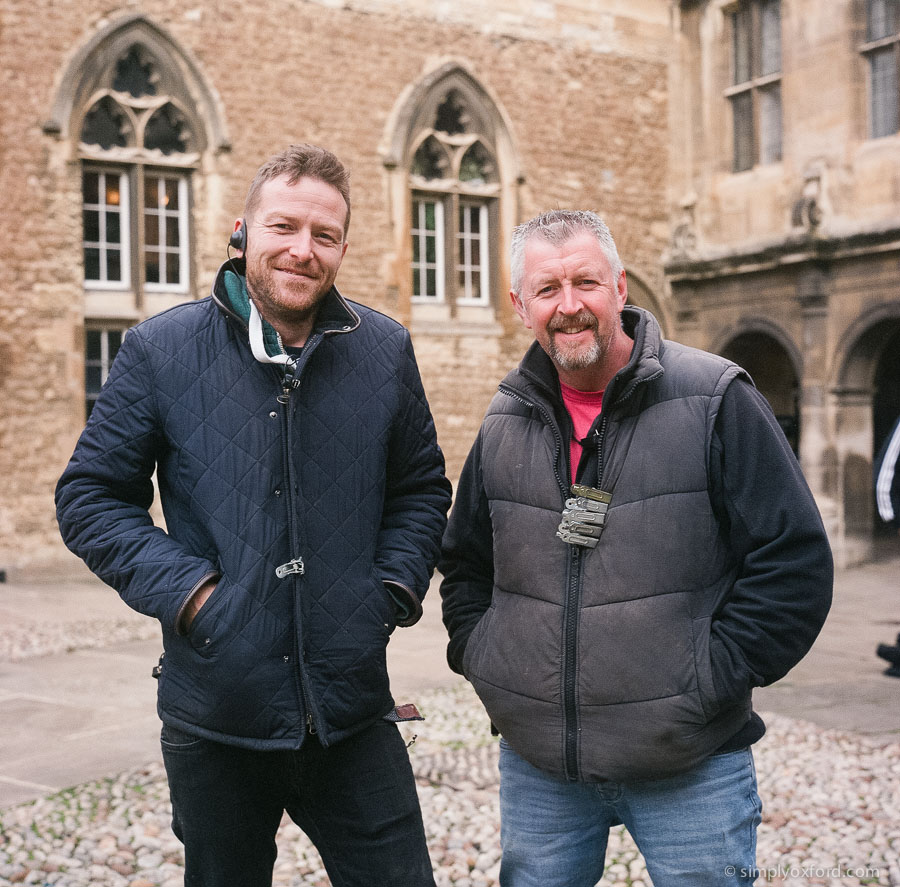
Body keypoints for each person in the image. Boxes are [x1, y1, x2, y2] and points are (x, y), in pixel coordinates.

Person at [56, 144, 451, 887]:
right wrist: (196, 598)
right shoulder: (160, 350)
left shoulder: (385, 349)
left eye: (324, 235)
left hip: (351, 709)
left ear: (342, 248)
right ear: (243, 232)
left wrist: (389, 591)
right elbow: (90, 497)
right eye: (284, 227)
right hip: (217, 714)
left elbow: (422, 488)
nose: (303, 249)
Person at [440, 210, 833, 886]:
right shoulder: (506, 418)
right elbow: (465, 563)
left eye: (586, 282)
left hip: (690, 763)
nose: (569, 305)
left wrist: (709, 679)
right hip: (543, 768)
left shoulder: (715, 397)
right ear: (520, 305)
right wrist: (485, 657)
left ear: (620, 287)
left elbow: (792, 560)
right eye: (547, 289)